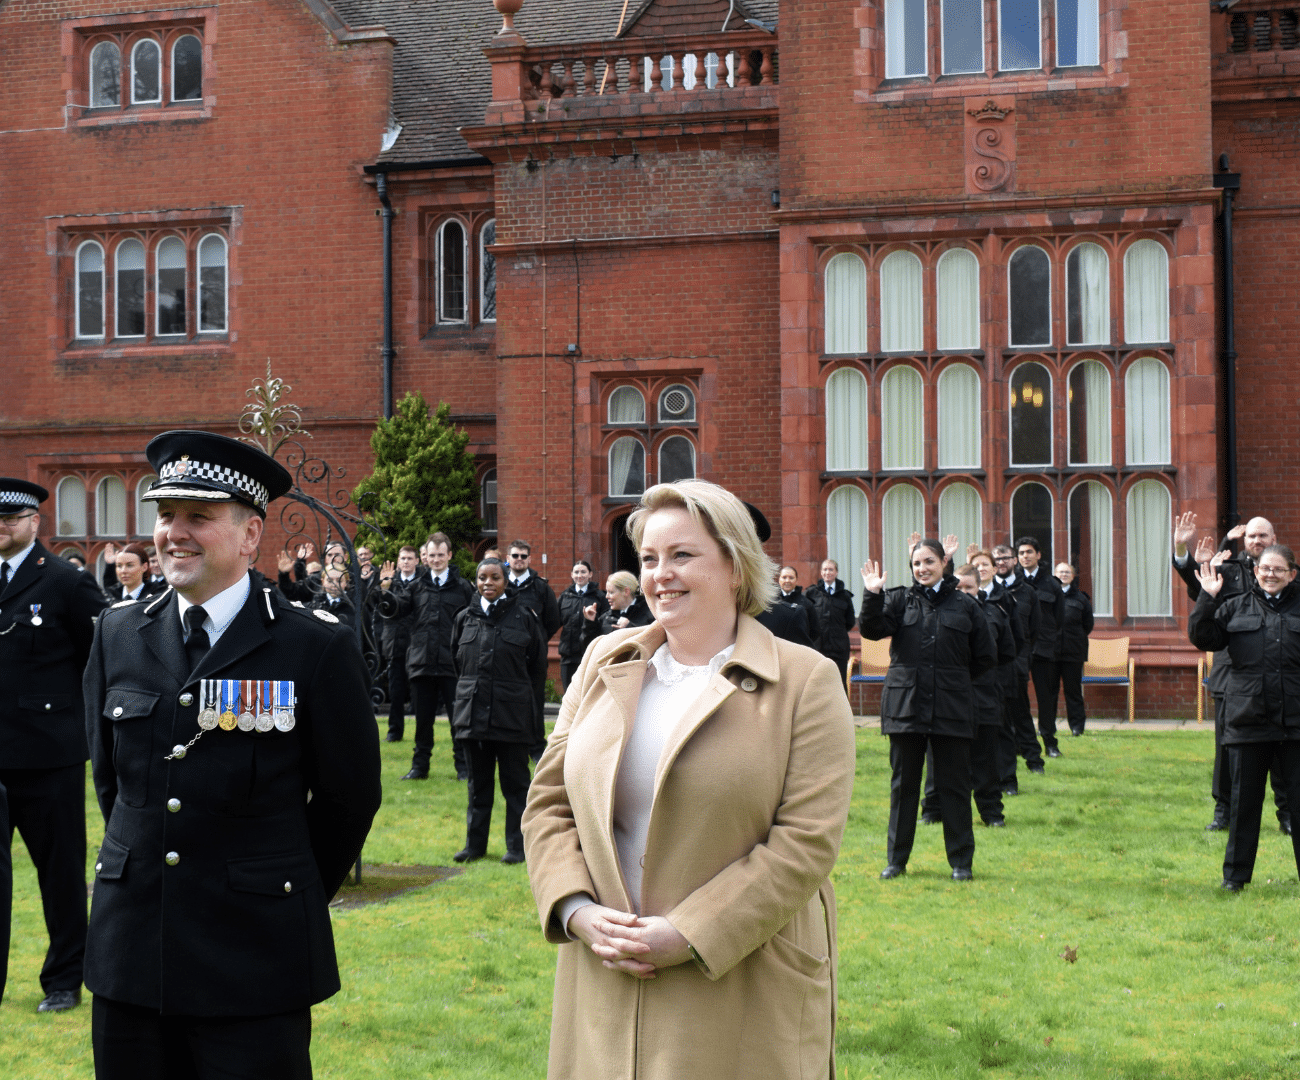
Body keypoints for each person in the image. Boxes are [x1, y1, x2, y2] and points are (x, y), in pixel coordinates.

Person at [523, 480, 855, 1080]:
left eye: (681, 555)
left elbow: (805, 843)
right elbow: (548, 804)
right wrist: (576, 910)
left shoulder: (807, 680)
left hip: (739, 983)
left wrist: (690, 933)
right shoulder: (604, 660)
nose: (659, 575)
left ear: (734, 564)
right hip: (604, 974)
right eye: (648, 559)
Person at [82, 429, 382, 1078]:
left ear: (250, 536)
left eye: (199, 516)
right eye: (165, 515)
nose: (174, 533)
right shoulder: (115, 635)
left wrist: (277, 890)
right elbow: (114, 784)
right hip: (132, 954)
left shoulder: (313, 649)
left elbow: (348, 798)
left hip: (254, 962)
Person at [0, 477, 108, 1012]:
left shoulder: (65, 582)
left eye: (11, 518)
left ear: (34, 523)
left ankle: (64, 979)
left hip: (48, 756)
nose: (1, 527)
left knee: (60, 875)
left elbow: (103, 659)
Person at [860, 539, 996, 880]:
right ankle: (896, 861)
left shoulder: (965, 605)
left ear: (943, 563)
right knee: (903, 786)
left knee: (954, 786)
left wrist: (953, 681)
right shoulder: (897, 600)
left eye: (929, 561)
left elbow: (984, 656)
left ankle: (961, 863)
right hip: (906, 707)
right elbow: (871, 631)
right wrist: (872, 595)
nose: (922, 568)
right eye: (917, 563)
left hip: (951, 707)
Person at [1188, 544, 1300, 890]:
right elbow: (1202, 637)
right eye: (1265, 568)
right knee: (1243, 806)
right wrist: (1207, 599)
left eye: (1278, 569)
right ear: (1255, 571)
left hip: (1295, 724)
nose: (1270, 574)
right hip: (1248, 721)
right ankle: (1235, 878)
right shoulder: (1233, 607)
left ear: (1292, 574)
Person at [1176, 513, 1290, 833]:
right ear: (1245, 540)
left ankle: (1287, 813)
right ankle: (1223, 810)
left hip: (1280, 677)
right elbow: (1198, 586)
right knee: (1227, 748)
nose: (1256, 541)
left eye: (1262, 536)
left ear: (1273, 538)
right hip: (1233, 676)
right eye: (1251, 536)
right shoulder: (1227, 569)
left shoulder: (1284, 574)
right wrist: (1183, 550)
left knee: (1283, 748)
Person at [450, 558, 546, 864]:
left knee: (515, 785)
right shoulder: (465, 618)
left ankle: (517, 847)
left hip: (512, 716)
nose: (487, 583)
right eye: (482, 577)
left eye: (495, 577)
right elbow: (458, 665)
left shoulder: (524, 618)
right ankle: (474, 845)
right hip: (473, 714)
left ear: (506, 581)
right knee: (477, 786)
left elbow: (536, 671)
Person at [382, 533, 476, 781]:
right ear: (426, 557)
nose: (436, 559)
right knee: (422, 721)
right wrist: (385, 591)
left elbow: (475, 620)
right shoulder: (416, 586)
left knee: (459, 720)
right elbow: (396, 611)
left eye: (440, 555)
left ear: (449, 556)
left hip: (452, 664)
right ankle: (419, 767)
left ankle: (463, 767)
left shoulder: (463, 587)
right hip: (421, 662)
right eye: (432, 555)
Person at [992, 543, 1046, 783]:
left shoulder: (1026, 591)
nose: (1001, 562)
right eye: (996, 559)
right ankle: (1003, 759)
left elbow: (1033, 629)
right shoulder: (987, 591)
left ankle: (1034, 759)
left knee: (1020, 712)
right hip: (990, 666)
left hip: (1016, 663)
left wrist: (1022, 658)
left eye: (1005, 558)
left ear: (1014, 560)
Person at [505, 540, 562, 761]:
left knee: (535, 704)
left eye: (523, 556)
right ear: (508, 559)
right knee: (507, 703)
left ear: (529, 559)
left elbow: (553, 619)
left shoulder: (541, 587)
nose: (519, 559)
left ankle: (537, 749)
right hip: (507, 658)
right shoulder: (500, 585)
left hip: (533, 659)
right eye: (515, 555)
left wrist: (537, 641)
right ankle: (511, 748)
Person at [1017, 536, 1066, 758]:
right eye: (1021, 553)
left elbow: (1059, 619)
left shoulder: (1052, 584)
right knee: (1016, 697)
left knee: (1046, 698)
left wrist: (1049, 642)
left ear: (1038, 555)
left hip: (1045, 649)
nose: (1024, 556)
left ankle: (1050, 741)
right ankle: (1020, 742)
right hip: (1017, 649)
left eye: (1029, 552)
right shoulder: (1012, 582)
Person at [376, 546, 424, 743]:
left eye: (409, 558)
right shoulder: (389, 583)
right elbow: (381, 609)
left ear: (417, 561)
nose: (405, 561)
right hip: (395, 642)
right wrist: (383, 590)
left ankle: (421, 734)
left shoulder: (423, 582)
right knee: (395, 691)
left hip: (418, 644)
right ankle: (395, 731)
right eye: (402, 558)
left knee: (419, 693)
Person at [1054, 562, 1094, 736]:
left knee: (1073, 691)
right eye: (1060, 572)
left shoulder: (1081, 598)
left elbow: (1088, 625)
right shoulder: (1047, 595)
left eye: (1067, 572)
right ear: (1054, 575)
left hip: (1073, 652)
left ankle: (1077, 727)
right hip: (1050, 653)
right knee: (1049, 692)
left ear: (1072, 576)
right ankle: (1047, 727)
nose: (1063, 574)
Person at [557, 560, 608, 691]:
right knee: (568, 694)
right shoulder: (565, 596)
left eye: (583, 572)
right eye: (576, 572)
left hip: (589, 654)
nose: (580, 575)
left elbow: (605, 623)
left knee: (587, 694)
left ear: (590, 574)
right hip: (568, 655)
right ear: (572, 575)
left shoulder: (600, 596)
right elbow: (553, 621)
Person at [806, 558, 855, 687]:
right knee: (817, 684)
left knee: (839, 683)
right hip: (817, 647)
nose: (828, 572)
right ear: (821, 573)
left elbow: (850, 621)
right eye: (825, 569)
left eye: (831, 569)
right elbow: (805, 618)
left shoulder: (845, 596)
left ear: (836, 572)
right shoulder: (811, 593)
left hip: (839, 647)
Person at [583, 570, 653, 639]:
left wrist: (630, 627)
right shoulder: (605, 618)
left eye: (611, 592)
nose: (606, 596)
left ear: (626, 591)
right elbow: (589, 647)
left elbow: (654, 642)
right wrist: (590, 623)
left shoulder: (650, 613)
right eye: (607, 592)